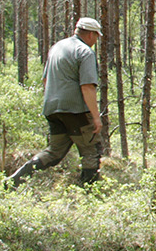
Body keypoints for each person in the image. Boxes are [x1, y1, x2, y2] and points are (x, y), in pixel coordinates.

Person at [7, 17, 104, 187]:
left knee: (54, 152)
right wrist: (96, 117)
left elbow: (45, 80)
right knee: (91, 150)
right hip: (76, 112)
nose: (96, 41)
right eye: (96, 36)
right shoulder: (85, 52)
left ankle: (14, 180)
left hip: (52, 109)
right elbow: (87, 87)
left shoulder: (57, 47)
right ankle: (90, 192)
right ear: (90, 34)